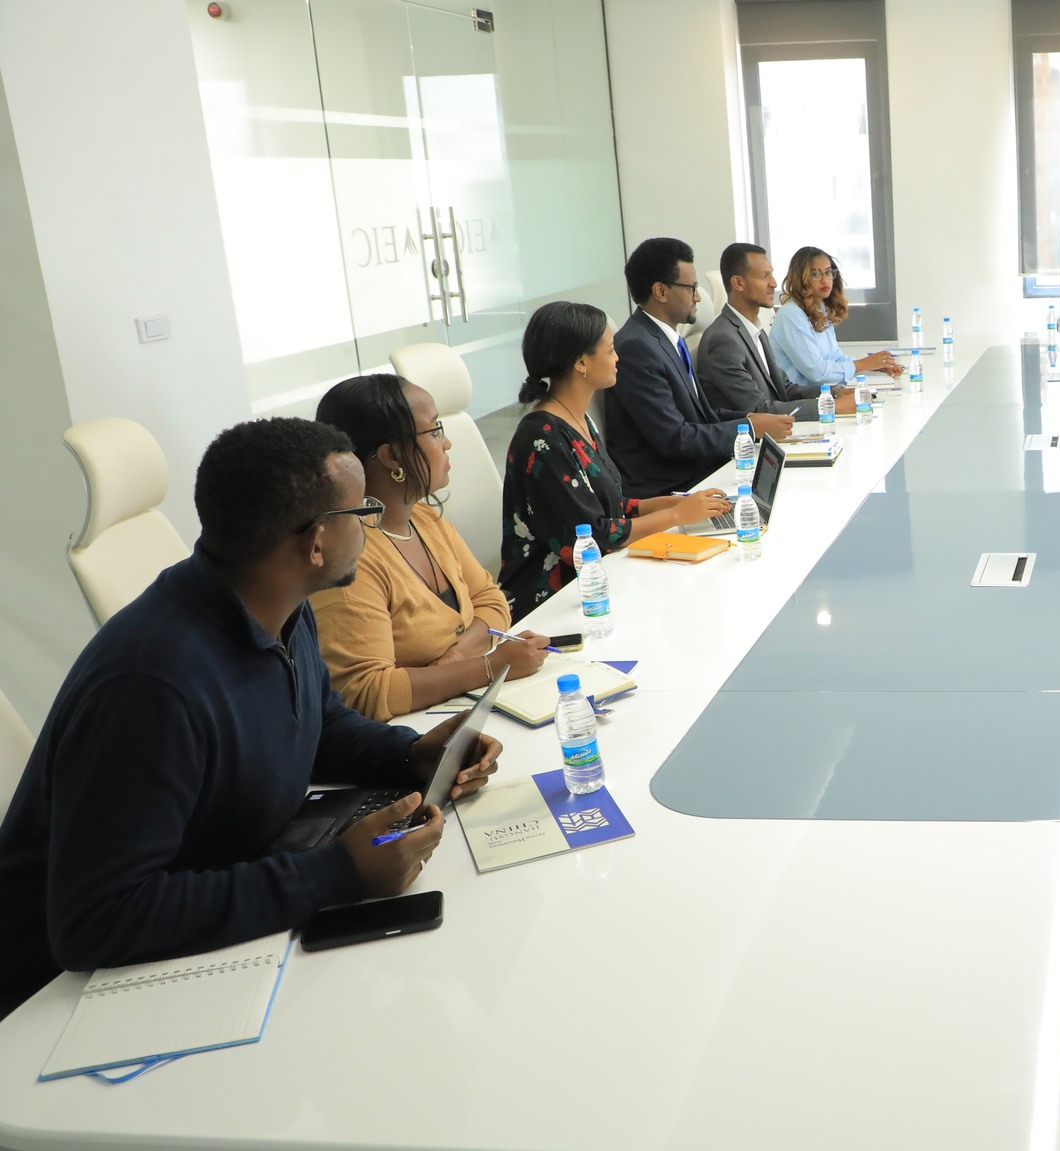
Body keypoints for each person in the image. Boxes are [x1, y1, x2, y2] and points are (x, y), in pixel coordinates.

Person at [0, 418, 502, 1019]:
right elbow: (96, 920)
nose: (371, 525)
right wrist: (336, 873)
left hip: (216, 888)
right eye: (361, 512)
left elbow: (315, 723)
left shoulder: (279, 605)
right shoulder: (150, 684)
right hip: (52, 1004)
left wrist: (408, 754)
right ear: (316, 543)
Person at [310, 373, 552, 721]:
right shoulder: (350, 559)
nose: (447, 443)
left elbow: (491, 600)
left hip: (461, 711)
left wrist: (455, 660)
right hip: (412, 733)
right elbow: (366, 692)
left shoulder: (422, 518)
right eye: (435, 430)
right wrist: (488, 667)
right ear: (392, 456)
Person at [500, 301, 733, 616]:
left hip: (601, 578)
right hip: (557, 601)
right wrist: (676, 516)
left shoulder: (579, 420)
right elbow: (594, 536)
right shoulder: (542, 438)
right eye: (610, 351)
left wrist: (675, 503)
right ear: (581, 363)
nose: (618, 358)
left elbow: (611, 507)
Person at [605, 237, 795, 499]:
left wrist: (750, 420)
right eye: (691, 288)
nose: (697, 297)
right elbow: (674, 438)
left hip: (698, 473)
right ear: (660, 292)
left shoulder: (669, 339)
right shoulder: (636, 348)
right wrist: (750, 428)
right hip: (670, 490)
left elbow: (701, 416)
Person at [699, 242, 847, 422]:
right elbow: (759, 409)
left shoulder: (755, 331)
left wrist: (835, 392)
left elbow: (786, 389)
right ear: (738, 283)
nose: (774, 283)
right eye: (764, 276)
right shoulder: (723, 339)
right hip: (749, 437)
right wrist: (833, 407)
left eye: (771, 274)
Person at [768, 247, 903, 391]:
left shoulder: (819, 309)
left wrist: (875, 366)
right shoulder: (791, 314)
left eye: (828, 272)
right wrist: (864, 364)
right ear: (800, 278)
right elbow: (817, 372)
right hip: (798, 399)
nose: (824, 280)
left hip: (820, 393)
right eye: (815, 274)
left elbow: (835, 358)